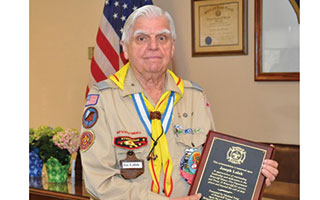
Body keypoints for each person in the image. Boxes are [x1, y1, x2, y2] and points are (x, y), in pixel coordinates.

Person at [80, 5, 278, 200]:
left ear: (172, 47)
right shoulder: (104, 99)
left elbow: (210, 168)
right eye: (142, 38)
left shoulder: (194, 97)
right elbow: (99, 182)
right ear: (125, 48)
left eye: (162, 38)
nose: (153, 46)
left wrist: (250, 176)